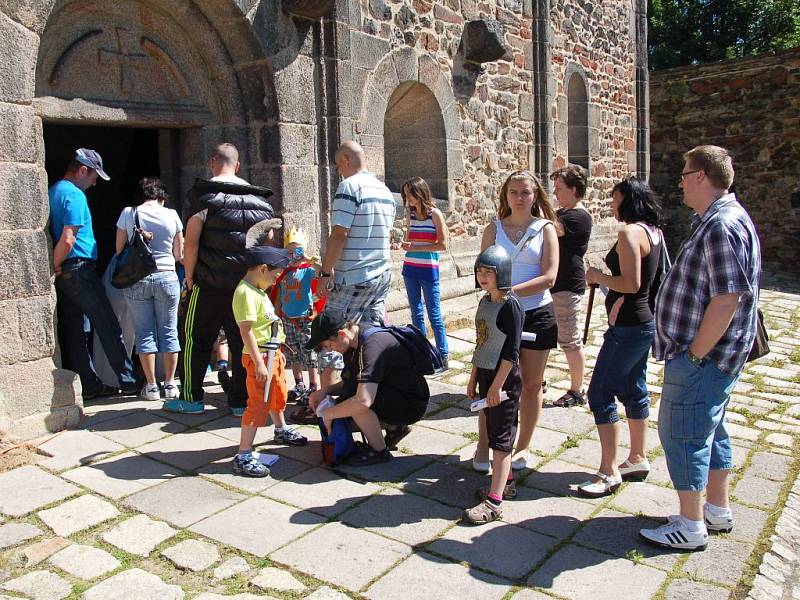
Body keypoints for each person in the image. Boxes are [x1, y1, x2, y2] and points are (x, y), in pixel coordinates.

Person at [640, 146, 761, 551]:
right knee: (712, 428)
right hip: (716, 358)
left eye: (684, 173)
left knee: (684, 433)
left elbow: (727, 299)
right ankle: (717, 509)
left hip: (704, 358)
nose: (679, 181)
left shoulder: (721, 225)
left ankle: (690, 526)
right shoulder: (720, 218)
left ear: (700, 177)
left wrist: (693, 354)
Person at [166, 143, 278, 415]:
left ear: (213, 162)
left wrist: (189, 278)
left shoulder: (202, 196)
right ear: (238, 166)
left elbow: (190, 244)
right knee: (242, 341)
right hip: (245, 287)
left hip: (209, 283)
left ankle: (191, 399)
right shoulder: (261, 202)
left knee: (196, 338)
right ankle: (240, 402)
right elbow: (268, 243)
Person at [577, 177, 664, 498]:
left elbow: (631, 283)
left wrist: (598, 276)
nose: (611, 205)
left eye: (614, 199)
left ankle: (608, 471)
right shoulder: (654, 233)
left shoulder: (630, 232)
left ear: (628, 199)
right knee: (634, 388)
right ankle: (637, 458)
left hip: (628, 328)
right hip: (642, 324)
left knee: (599, 394)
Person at [475, 171, 558, 472]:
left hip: (536, 312)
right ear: (505, 195)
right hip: (498, 315)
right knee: (491, 381)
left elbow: (550, 276)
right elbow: (483, 271)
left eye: (525, 192)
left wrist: (509, 292)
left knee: (532, 384)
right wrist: (499, 297)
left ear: (536, 195)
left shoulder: (545, 229)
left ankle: (522, 447)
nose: (519, 198)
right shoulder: (493, 229)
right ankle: (485, 445)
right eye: (514, 192)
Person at [49, 148, 138, 399]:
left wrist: (56, 267)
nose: (95, 181)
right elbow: (68, 238)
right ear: (82, 170)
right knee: (108, 323)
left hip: (67, 272)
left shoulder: (53, 190)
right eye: (94, 175)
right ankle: (129, 380)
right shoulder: (74, 195)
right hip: (79, 268)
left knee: (76, 330)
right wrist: (54, 265)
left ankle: (88, 386)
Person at [307, 309, 429, 466]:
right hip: (396, 392)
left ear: (341, 334)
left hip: (410, 403)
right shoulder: (353, 342)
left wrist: (329, 414)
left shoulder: (371, 346)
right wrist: (324, 391)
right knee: (347, 403)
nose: (330, 350)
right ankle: (394, 427)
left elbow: (363, 401)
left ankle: (379, 451)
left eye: (329, 345)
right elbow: (351, 381)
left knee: (354, 404)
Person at [315, 141, 396, 375]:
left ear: (346, 161)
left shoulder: (349, 187)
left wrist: (325, 272)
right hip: (381, 274)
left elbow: (339, 234)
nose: (339, 171)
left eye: (338, 165)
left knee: (330, 337)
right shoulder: (385, 191)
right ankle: (370, 392)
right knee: (371, 337)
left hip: (354, 276)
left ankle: (325, 405)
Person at [232, 244, 307, 477]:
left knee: (276, 393)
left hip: (273, 354)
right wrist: (260, 363)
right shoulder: (245, 293)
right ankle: (244, 454)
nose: (275, 281)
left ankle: (280, 428)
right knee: (258, 403)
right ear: (263, 269)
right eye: (274, 276)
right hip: (261, 357)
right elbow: (246, 332)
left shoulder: (258, 290)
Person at [464, 245, 523, 524]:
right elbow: (481, 342)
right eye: (479, 271)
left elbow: (510, 354)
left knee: (500, 440)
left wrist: (497, 387)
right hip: (487, 376)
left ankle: (495, 502)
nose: (483, 276)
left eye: (489, 271)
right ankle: (506, 484)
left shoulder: (511, 306)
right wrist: (474, 378)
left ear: (502, 274)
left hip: (504, 380)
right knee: (492, 428)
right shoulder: (485, 301)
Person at [115, 177, 184, 401]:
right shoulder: (172, 215)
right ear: (161, 197)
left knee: (144, 333)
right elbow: (179, 255)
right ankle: (171, 384)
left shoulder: (129, 213)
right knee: (169, 331)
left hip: (138, 278)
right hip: (167, 276)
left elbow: (119, 249)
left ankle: (152, 387)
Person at [392, 176, 449, 367]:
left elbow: (442, 245)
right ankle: (423, 355)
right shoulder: (411, 214)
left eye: (410, 193)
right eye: (405, 194)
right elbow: (410, 241)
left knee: (434, 314)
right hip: (410, 269)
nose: (407, 197)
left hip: (428, 271)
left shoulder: (435, 214)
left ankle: (443, 356)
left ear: (420, 192)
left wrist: (415, 248)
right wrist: (401, 245)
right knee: (416, 314)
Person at [549, 165, 592, 407]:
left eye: (559, 189)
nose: (555, 194)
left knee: (569, 340)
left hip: (567, 286)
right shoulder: (563, 212)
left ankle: (577, 390)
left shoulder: (578, 216)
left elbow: (552, 228)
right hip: (555, 285)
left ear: (574, 190)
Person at [270, 227, 322, 424]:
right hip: (287, 318)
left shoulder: (307, 270)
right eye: (289, 252)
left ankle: (313, 384)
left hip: (304, 319)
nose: (294, 256)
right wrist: (276, 312)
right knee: (292, 353)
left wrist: (308, 257)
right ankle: (299, 383)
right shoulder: (284, 273)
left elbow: (323, 271)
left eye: (297, 251)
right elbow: (279, 295)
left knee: (309, 353)